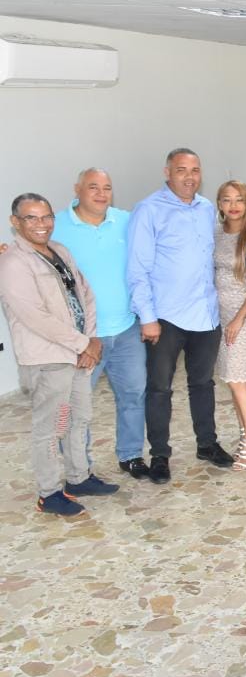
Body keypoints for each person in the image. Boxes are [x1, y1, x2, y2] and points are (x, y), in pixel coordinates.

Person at [0, 193, 117, 517]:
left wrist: (90, 339)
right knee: (52, 427)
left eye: (47, 216)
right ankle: (49, 493)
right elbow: (33, 316)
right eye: (31, 218)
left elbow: (85, 293)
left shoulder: (59, 251)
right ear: (15, 222)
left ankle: (79, 477)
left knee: (79, 418)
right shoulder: (13, 263)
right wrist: (82, 344)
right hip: (48, 359)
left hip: (78, 353)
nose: (42, 224)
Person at [127, 147, 231, 483]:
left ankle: (207, 444)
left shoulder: (207, 209)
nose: (189, 177)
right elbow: (137, 269)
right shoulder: (148, 210)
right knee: (159, 389)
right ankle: (160, 454)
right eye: (182, 170)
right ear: (167, 172)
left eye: (195, 170)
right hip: (165, 318)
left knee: (203, 384)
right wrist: (147, 317)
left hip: (205, 314)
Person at [50, 168, 148, 479]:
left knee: (133, 396)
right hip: (83, 336)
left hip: (127, 329)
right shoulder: (56, 225)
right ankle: (79, 466)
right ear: (77, 189)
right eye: (93, 187)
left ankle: (131, 455)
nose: (101, 194)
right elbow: (30, 251)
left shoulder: (126, 220)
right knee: (76, 405)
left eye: (107, 187)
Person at [213, 180, 246, 470]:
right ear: (219, 204)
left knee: (236, 379)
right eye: (227, 200)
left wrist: (239, 318)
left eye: (239, 199)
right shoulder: (216, 233)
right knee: (232, 381)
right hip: (219, 317)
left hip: (245, 316)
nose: (233, 206)